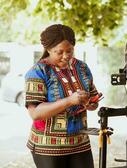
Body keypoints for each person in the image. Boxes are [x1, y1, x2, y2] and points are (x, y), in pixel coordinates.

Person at [24, 24, 102, 168]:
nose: (66, 56)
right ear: (48, 49)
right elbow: (35, 113)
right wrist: (69, 101)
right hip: (47, 147)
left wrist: (90, 103)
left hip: (80, 143)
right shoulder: (38, 72)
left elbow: (93, 102)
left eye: (69, 51)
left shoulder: (82, 68)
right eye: (59, 52)